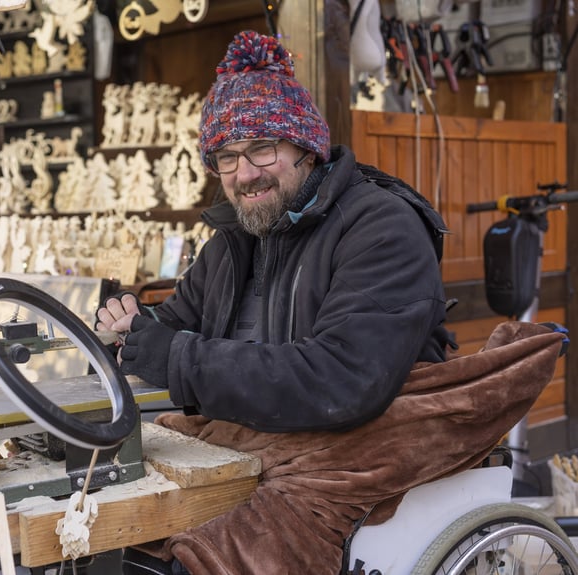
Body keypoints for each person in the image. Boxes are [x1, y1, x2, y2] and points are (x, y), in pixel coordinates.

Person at [96, 30, 450, 574]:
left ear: (305, 147)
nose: (244, 174)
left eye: (262, 148)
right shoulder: (232, 243)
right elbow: (171, 329)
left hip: (350, 459)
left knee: (203, 558)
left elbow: (343, 378)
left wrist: (177, 356)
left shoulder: (381, 227)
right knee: (115, 532)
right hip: (248, 451)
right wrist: (131, 330)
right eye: (226, 157)